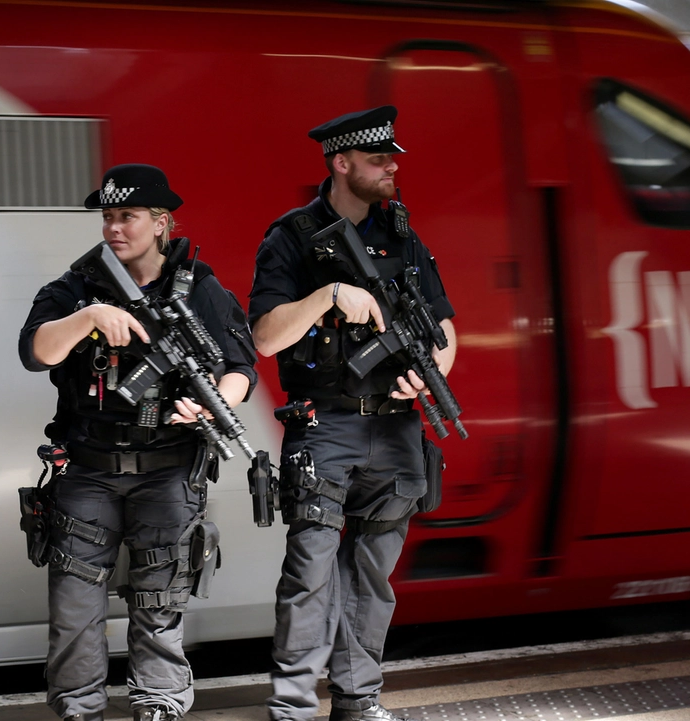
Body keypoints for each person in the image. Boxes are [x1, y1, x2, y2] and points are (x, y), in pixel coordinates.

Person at [19, 164, 257, 721]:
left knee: (160, 596)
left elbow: (241, 367)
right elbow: (37, 351)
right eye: (108, 217)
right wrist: (90, 316)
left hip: (168, 468)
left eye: (127, 216)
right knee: (76, 605)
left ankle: (159, 703)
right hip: (88, 469)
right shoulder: (74, 288)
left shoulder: (201, 289)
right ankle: (80, 710)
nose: (114, 228)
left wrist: (212, 400)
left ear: (161, 222)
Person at [248, 107, 457, 721]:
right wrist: (328, 296)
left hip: (395, 430)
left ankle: (358, 700)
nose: (393, 165)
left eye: (392, 156)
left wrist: (431, 370)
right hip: (326, 428)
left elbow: (442, 323)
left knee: (372, 579)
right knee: (310, 573)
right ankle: (291, 707)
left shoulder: (403, 233)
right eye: (378, 159)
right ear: (341, 163)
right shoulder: (290, 236)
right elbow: (264, 337)